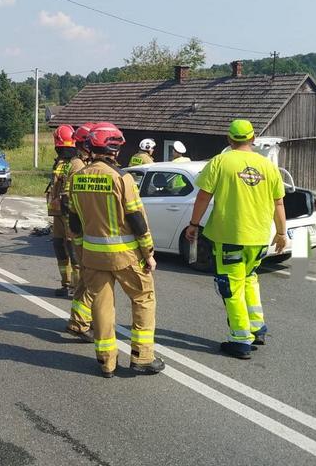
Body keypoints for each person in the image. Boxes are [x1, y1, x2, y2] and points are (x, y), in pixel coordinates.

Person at [68, 122, 165, 378]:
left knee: (101, 306)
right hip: (126, 256)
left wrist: (81, 253)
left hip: (93, 256)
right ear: (115, 149)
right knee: (143, 299)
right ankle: (142, 358)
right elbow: (136, 218)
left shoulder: (77, 177)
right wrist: (149, 254)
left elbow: (74, 222)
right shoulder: (122, 178)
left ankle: (106, 361)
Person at [185, 119, 287, 360]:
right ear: (253, 139)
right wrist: (281, 233)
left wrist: (194, 224)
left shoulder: (221, 161)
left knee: (231, 288)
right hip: (260, 236)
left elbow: (203, 196)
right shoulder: (268, 166)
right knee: (249, 278)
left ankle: (240, 340)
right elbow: (279, 203)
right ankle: (256, 327)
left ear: (229, 140)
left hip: (230, 236)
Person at [65, 122, 95, 342]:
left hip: (85, 232)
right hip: (83, 233)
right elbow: (69, 199)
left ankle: (80, 321)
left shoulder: (83, 163)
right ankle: (80, 323)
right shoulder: (77, 165)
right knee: (87, 279)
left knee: (87, 278)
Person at [47, 125, 79, 297]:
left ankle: (77, 286)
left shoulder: (77, 164)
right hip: (58, 213)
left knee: (72, 248)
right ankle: (66, 283)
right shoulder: (60, 162)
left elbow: (69, 193)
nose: (60, 149)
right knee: (59, 245)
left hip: (70, 213)